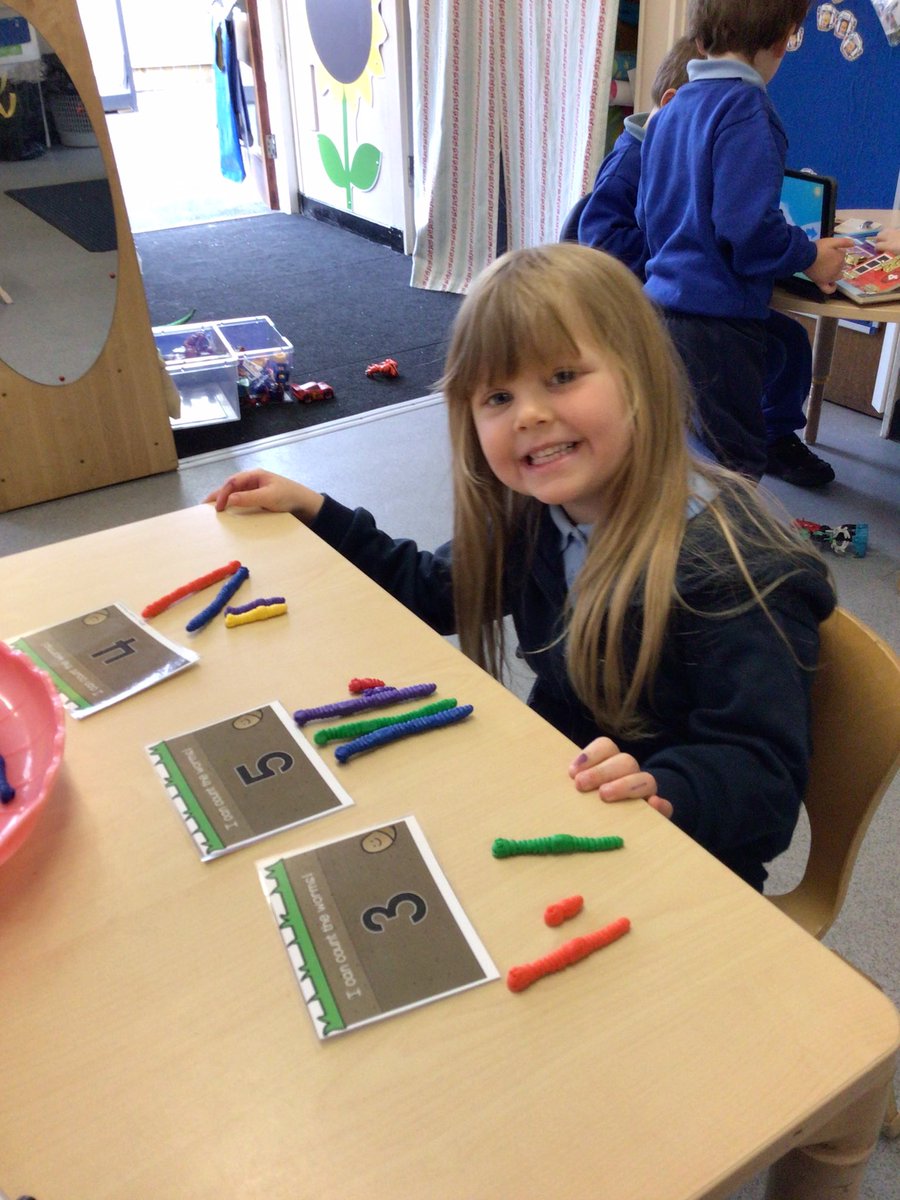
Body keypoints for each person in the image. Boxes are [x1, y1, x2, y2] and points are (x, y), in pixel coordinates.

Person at [206, 244, 835, 891]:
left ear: (642, 375)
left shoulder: (738, 572)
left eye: (562, 377)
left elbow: (762, 780)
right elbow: (431, 590)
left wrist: (667, 784)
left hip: (686, 862)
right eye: (499, 396)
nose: (529, 414)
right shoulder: (538, 516)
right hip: (565, 805)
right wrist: (316, 508)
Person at [636, 0, 853, 484]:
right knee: (734, 461)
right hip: (719, 326)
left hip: (658, 311)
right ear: (782, 42)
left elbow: (646, 215)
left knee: (678, 447)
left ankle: (671, 542)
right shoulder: (748, 109)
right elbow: (749, 232)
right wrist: (810, 256)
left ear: (700, 39)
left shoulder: (671, 111)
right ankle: (721, 558)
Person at [577, 36, 696, 272]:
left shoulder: (668, 159)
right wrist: (673, 249)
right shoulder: (629, 163)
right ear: (671, 103)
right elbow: (599, 241)